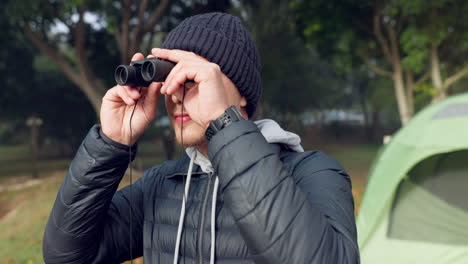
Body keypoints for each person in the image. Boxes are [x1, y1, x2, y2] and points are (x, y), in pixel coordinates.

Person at [43, 12, 359, 264]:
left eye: (191, 79)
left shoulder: (314, 173)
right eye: (170, 78)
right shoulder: (161, 184)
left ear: (241, 95)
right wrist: (111, 143)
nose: (177, 96)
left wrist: (224, 122)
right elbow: (65, 256)